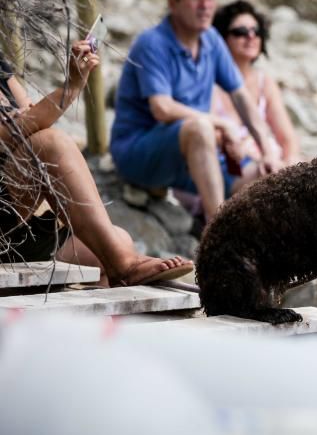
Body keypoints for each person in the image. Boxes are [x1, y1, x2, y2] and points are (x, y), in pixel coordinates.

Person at [0, 41, 193, 285]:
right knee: (50, 144)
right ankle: (124, 268)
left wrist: (28, 116)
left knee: (118, 241)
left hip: (18, 230)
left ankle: (112, 313)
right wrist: (71, 87)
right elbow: (11, 134)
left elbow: (32, 115)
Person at [110, 0, 279, 223]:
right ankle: (218, 232)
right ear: (172, 1)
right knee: (200, 128)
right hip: (140, 153)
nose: (205, 5)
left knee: (265, 176)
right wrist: (220, 125)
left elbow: (241, 97)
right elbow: (162, 108)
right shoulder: (152, 43)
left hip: (194, 156)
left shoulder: (211, 39)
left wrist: (267, 151)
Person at [210, 0, 300, 172]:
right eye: (240, 32)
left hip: (271, 167)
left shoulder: (264, 82)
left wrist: (292, 163)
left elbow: (287, 138)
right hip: (228, 170)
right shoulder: (211, 83)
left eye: (256, 31)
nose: (251, 36)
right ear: (222, 39)